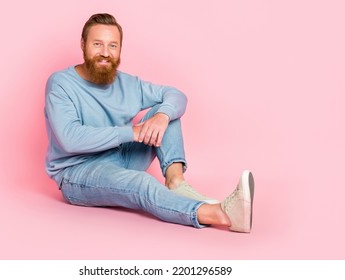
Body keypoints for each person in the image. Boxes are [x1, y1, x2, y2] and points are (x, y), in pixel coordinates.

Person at [44, 13, 254, 233]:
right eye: (98, 44)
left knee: (166, 113)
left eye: (112, 46)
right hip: (78, 172)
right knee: (141, 183)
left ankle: (176, 183)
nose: (105, 53)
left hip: (121, 158)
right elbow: (70, 139)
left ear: (120, 49)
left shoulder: (127, 83)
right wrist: (132, 132)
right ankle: (222, 214)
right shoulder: (61, 83)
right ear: (83, 44)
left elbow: (176, 95)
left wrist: (162, 116)